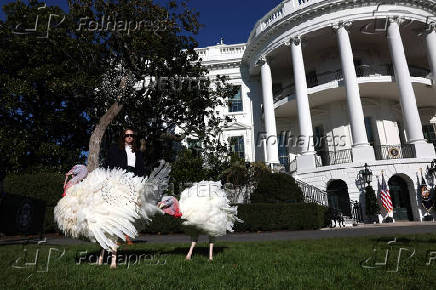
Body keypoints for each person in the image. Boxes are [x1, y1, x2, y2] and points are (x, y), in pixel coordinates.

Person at [107, 128, 146, 245]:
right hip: (119, 181)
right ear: (123, 137)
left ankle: (127, 235)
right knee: (118, 210)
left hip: (133, 182)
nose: (129, 137)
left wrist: (143, 181)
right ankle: (116, 237)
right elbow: (109, 164)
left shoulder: (137, 151)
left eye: (132, 135)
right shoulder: (115, 149)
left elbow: (141, 169)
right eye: (127, 135)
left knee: (130, 209)